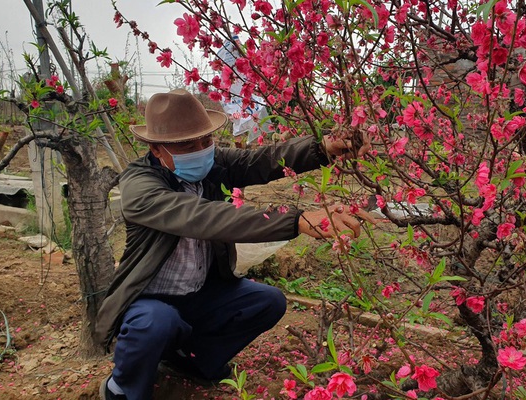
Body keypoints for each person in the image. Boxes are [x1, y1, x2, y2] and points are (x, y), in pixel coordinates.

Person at [95, 88, 373, 400]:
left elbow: (262, 160)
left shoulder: (213, 165)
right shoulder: (139, 186)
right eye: (188, 144)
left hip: (200, 292)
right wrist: (295, 220)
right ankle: (122, 388)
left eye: (206, 140)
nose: (202, 150)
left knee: (267, 301)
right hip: (148, 300)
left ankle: (193, 361)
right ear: (158, 149)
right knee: (156, 323)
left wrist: (322, 148)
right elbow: (205, 217)